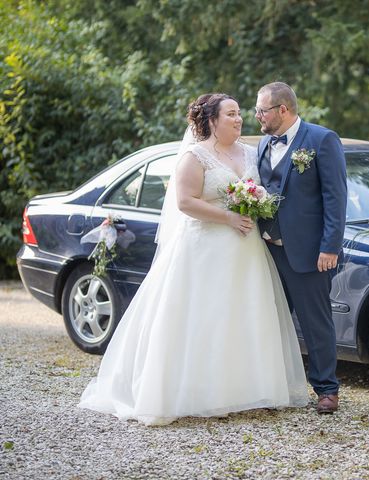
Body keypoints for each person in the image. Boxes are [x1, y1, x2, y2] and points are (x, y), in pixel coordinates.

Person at [78, 93, 308, 426]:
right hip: (204, 250)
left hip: (245, 251)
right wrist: (227, 217)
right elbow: (185, 202)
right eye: (230, 114)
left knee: (244, 314)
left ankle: (245, 389)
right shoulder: (194, 156)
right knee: (205, 316)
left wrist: (255, 206)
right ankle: (198, 392)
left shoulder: (249, 152)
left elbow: (261, 191)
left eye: (239, 113)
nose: (238, 118)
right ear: (212, 120)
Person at [255, 82, 347, 414]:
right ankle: (273, 387)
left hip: (310, 252)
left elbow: (335, 198)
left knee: (315, 322)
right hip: (267, 250)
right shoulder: (264, 143)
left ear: (283, 110)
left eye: (262, 110)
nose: (257, 116)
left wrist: (330, 247)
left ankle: (327, 389)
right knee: (271, 320)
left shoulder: (322, 140)